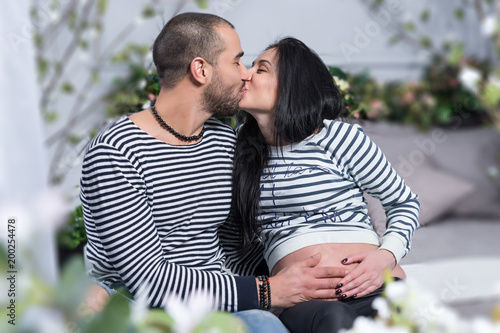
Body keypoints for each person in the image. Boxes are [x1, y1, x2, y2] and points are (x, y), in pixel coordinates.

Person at [80, 13, 348, 332]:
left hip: (218, 300)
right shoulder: (116, 150)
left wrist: (322, 273)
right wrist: (268, 290)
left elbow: (236, 248)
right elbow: (148, 278)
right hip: (137, 304)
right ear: (201, 69)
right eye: (236, 62)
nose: (245, 74)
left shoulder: (223, 141)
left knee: (268, 325)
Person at [231, 37, 420, 333]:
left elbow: (404, 202)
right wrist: (263, 290)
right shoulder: (236, 151)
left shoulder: (340, 138)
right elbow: (228, 242)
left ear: (292, 86)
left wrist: (387, 256)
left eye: (262, 68)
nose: (246, 73)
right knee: (333, 320)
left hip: (373, 286)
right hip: (305, 303)